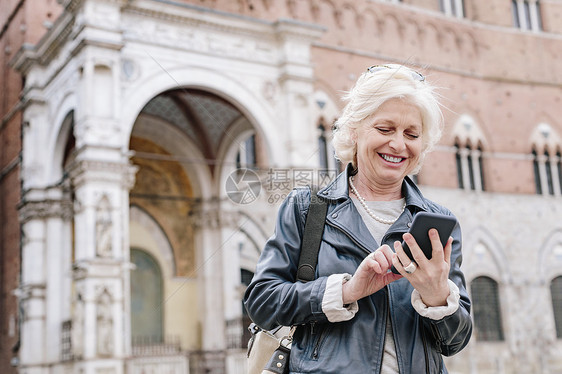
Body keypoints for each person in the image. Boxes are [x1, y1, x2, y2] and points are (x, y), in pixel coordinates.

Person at [243, 64, 472, 373]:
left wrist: (438, 297)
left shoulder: (438, 222)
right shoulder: (306, 209)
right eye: (385, 129)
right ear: (354, 129)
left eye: (411, 134)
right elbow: (262, 303)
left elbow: (455, 342)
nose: (398, 144)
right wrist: (345, 291)